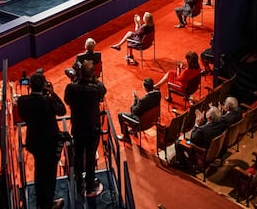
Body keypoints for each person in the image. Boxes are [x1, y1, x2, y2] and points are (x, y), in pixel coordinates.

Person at [16, 71, 67, 209]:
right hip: (50, 144)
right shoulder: (48, 101)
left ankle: (40, 203)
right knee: (49, 175)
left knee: (39, 173)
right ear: (44, 85)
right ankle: (48, 204)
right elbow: (62, 111)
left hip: (35, 143)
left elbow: (22, 116)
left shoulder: (23, 101)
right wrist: (53, 93)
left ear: (30, 86)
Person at [63, 60, 107, 198]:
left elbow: (67, 101)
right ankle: (89, 185)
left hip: (78, 128)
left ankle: (78, 182)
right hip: (93, 129)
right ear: (92, 74)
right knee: (90, 156)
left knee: (78, 156)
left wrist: (78, 78)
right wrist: (90, 78)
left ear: (80, 73)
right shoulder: (95, 89)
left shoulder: (71, 88)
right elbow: (103, 90)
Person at [116, 77, 161, 144]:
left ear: (145, 88)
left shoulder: (143, 101)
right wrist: (138, 100)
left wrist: (135, 100)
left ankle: (126, 136)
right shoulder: (158, 94)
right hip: (153, 119)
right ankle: (133, 132)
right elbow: (146, 104)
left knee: (120, 115)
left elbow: (133, 111)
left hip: (142, 124)